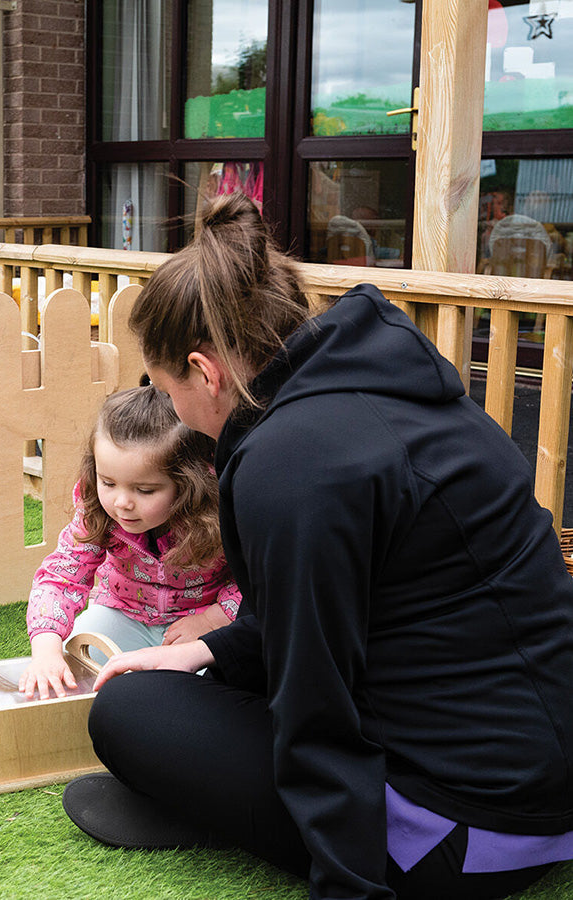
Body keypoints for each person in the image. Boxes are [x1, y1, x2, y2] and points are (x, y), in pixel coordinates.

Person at [61, 193, 573, 900]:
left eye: (165, 386)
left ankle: (244, 822)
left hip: (467, 834)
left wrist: (348, 887)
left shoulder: (290, 467)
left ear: (206, 372)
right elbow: (352, 606)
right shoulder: (389, 387)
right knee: (197, 677)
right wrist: (207, 648)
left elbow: (316, 703)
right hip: (546, 788)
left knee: (129, 713)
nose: (170, 408)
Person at [18, 384, 241, 701]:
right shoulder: (99, 511)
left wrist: (212, 619)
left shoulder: (216, 515)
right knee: (77, 661)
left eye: (145, 490)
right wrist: (46, 648)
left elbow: (254, 578)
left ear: (188, 483)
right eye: (108, 482)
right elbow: (61, 576)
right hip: (122, 612)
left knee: (210, 688)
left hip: (198, 626)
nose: (121, 502)